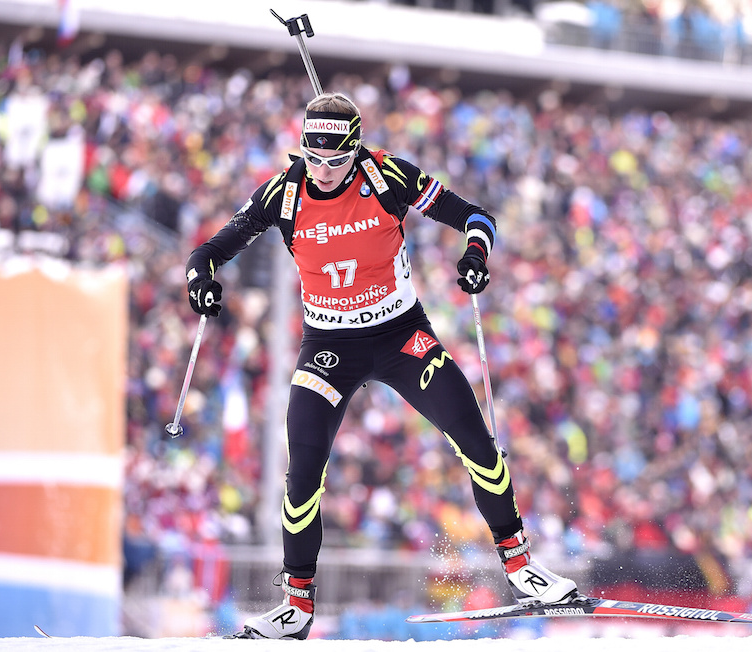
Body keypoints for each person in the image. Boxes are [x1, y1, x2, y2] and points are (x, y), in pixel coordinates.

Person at [186, 91, 578, 639]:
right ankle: (296, 606)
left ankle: (521, 568)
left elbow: (475, 217)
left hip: (400, 336)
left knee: (476, 441)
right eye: (312, 158)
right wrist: (201, 281)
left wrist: (474, 257)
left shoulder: (387, 175)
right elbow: (208, 251)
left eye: (334, 159)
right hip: (329, 350)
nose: (322, 171)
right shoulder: (284, 193)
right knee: (302, 473)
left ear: (355, 148)